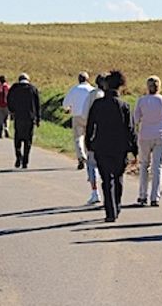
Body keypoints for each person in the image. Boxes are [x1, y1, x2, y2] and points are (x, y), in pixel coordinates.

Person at [86, 71, 138, 222]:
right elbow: (130, 129)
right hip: (120, 147)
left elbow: (90, 126)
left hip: (101, 145)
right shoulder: (125, 106)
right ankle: (117, 205)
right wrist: (134, 149)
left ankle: (110, 210)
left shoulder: (98, 104)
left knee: (106, 179)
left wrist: (88, 143)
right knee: (118, 177)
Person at [133, 76, 162, 207]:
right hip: (161, 135)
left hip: (145, 135)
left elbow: (135, 120)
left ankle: (142, 195)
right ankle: (155, 197)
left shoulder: (141, 101)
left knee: (144, 165)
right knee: (158, 167)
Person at [82, 73, 108, 205]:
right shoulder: (108, 97)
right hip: (107, 133)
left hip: (94, 133)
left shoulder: (92, 95)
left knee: (92, 165)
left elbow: (85, 114)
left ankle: (95, 191)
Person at [62, 72, 95, 170]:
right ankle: (89, 157)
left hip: (77, 115)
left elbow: (65, 104)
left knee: (78, 137)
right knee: (88, 137)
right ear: (88, 79)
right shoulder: (92, 90)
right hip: (89, 116)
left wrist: (67, 109)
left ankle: (81, 156)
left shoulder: (74, 89)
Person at [7, 73, 41, 168]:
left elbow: (9, 100)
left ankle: (19, 157)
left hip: (18, 117)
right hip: (30, 118)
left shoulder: (14, 88)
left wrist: (12, 111)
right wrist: (38, 118)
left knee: (17, 138)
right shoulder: (33, 89)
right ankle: (25, 161)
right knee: (28, 140)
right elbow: (38, 105)